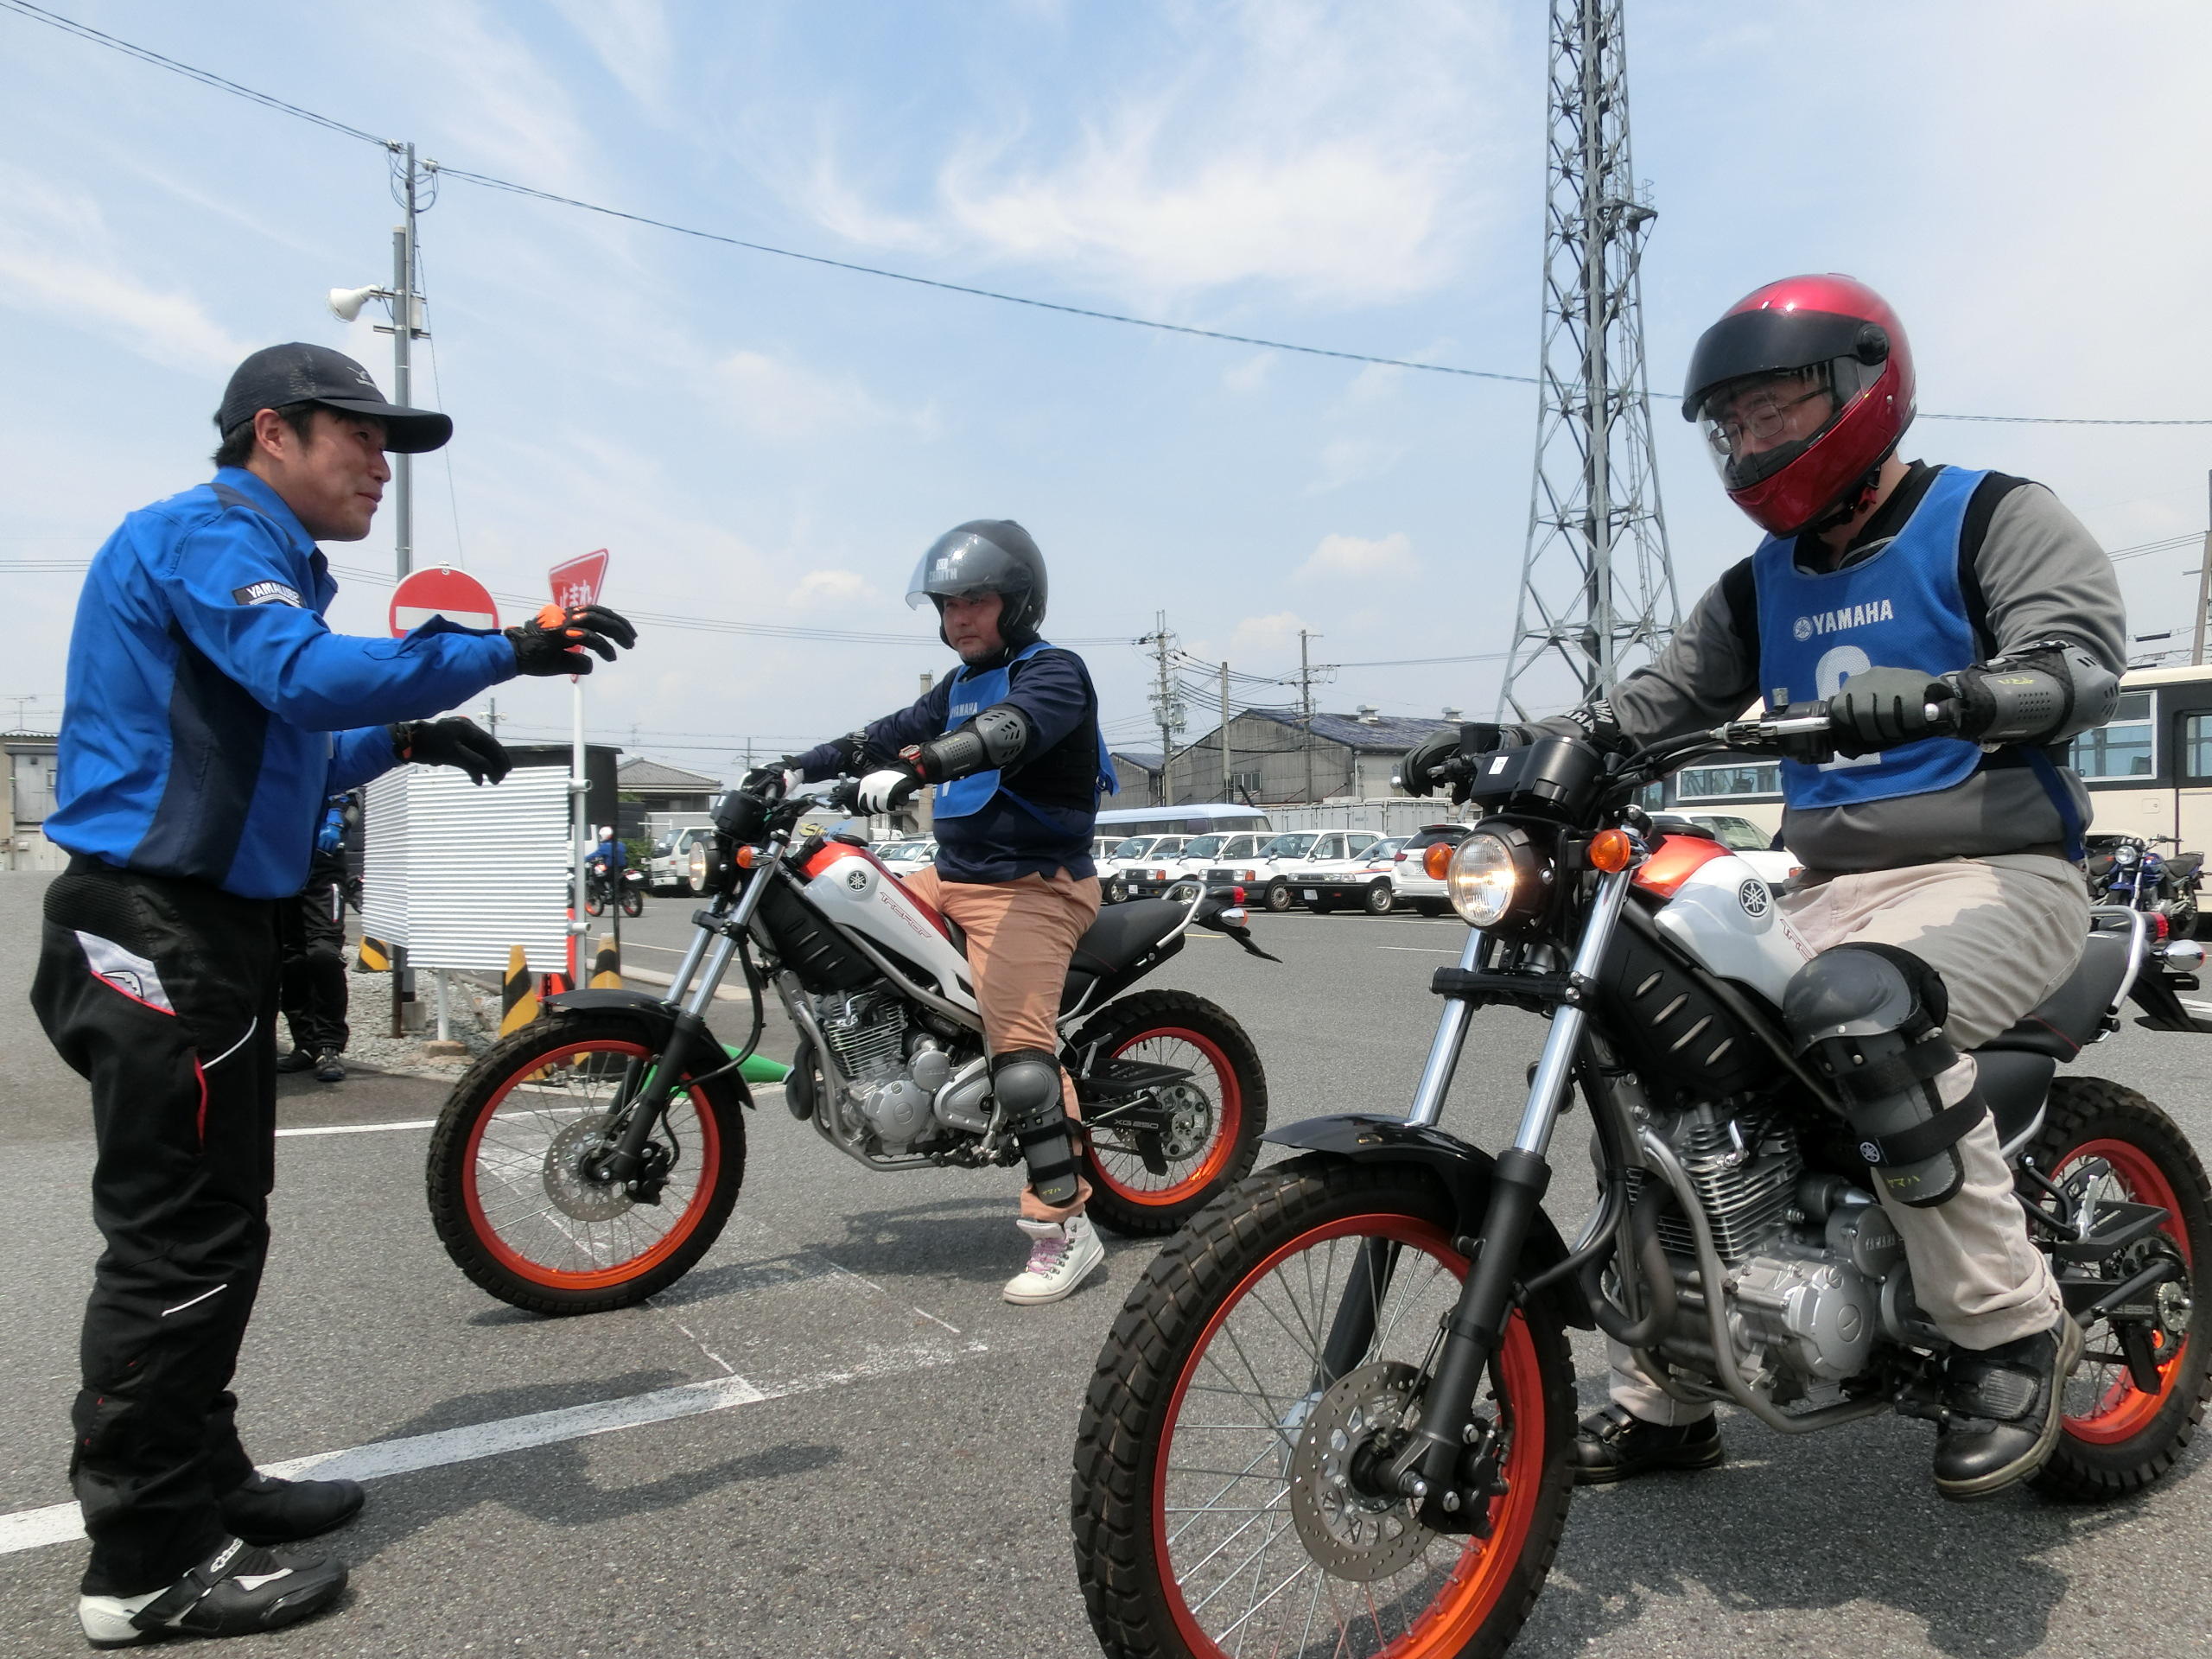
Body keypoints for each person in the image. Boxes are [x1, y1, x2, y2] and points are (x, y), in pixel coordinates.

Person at [1402, 275, 2123, 1501]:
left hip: (2000, 871)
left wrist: (1973, 694)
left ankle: (2007, 1333)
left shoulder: (1991, 516)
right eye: (1727, 424)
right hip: (1829, 883)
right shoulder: (1757, 583)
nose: (1746, 440)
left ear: (1858, 384)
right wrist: (1516, 753)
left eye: (1769, 409)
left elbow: (2079, 657)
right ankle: (1668, 1395)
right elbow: (1649, 707)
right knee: (1643, 1059)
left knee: (1863, 1009)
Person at [34, 341, 638, 1646]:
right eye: (357, 437)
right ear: (271, 435)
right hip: (157, 926)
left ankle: (203, 1480)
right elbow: (302, 680)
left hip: (205, 931)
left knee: (221, 1222)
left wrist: (411, 732)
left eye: (390, 446)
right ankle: (143, 1566)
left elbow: (289, 739)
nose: (379, 464)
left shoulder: (264, 561)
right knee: (179, 1241)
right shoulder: (205, 535)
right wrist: (504, 650)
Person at [777, 520, 1118, 1304]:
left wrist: (925, 766)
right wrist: (796, 769)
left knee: (1024, 1061)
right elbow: (882, 736)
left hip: (1033, 887)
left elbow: (1008, 733)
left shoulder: (1055, 672)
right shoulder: (958, 684)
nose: (960, 615)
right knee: (833, 903)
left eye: (977, 600)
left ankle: (1063, 1227)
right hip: (952, 875)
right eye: (948, 602)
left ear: (1018, 603)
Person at [276, 795, 353, 1084]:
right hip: (282, 870)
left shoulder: (323, 753)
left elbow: (352, 800)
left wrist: (336, 820)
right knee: (290, 960)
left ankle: (329, 1045)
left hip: (323, 871)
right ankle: (305, 1045)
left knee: (324, 955)